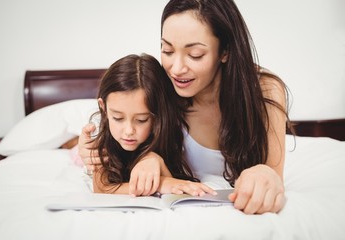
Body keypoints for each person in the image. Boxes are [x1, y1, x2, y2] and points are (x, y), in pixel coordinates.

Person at [79, 0, 291, 214]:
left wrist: (264, 173)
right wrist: (149, 158)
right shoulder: (162, 88)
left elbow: (273, 174)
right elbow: (119, 133)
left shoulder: (264, 90)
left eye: (195, 54)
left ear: (225, 50)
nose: (177, 69)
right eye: (167, 50)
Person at [90, 53, 216, 196]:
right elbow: (101, 188)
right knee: (75, 150)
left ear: (157, 116)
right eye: (118, 118)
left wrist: (155, 159)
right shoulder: (99, 133)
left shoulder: (171, 132)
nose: (129, 131)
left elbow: (174, 182)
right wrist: (162, 184)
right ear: (103, 108)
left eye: (142, 120)